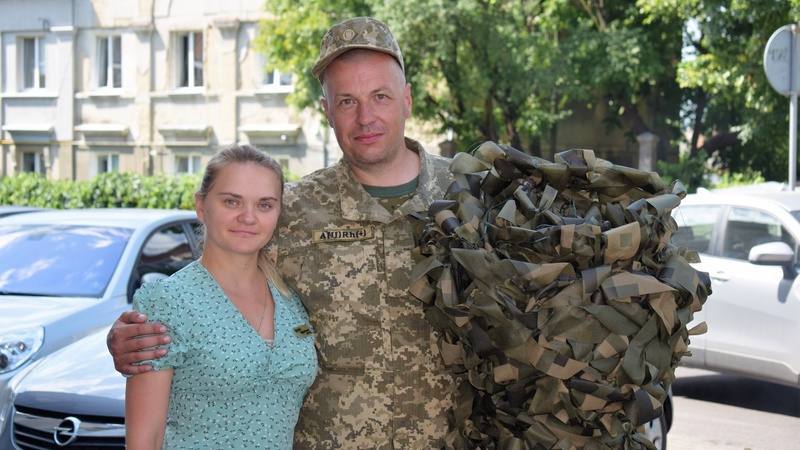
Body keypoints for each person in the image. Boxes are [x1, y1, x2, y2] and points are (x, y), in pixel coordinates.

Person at [109, 17, 457, 449]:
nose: (365, 117)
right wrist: (133, 338)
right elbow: (214, 284)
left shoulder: (470, 198)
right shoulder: (292, 208)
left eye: (380, 96)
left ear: (406, 100)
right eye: (346, 101)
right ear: (328, 112)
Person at [124, 144, 317, 449]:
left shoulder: (290, 297)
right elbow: (144, 440)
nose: (248, 217)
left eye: (264, 205)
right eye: (232, 201)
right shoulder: (168, 302)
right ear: (201, 206)